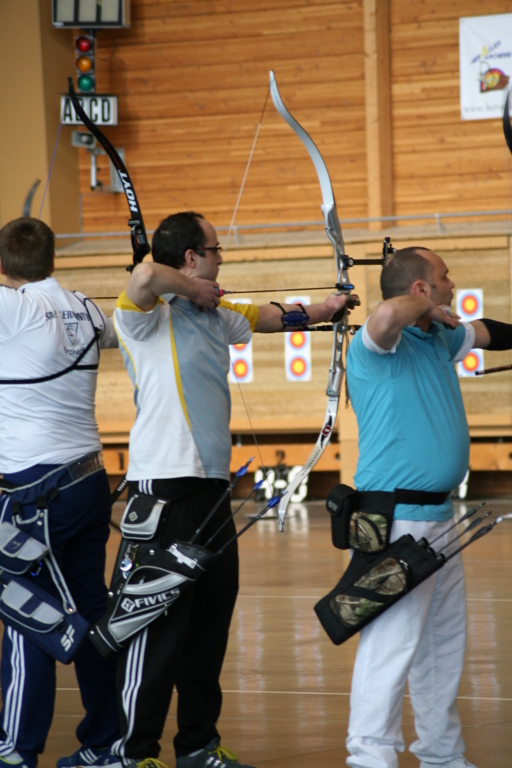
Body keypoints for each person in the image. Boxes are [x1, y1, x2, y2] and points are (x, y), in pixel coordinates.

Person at [111, 211, 352, 768]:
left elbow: (274, 316)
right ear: (190, 257)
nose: (222, 258)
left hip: (212, 491)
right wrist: (190, 288)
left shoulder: (218, 314)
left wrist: (328, 309)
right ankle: (132, 753)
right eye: (215, 249)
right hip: (163, 489)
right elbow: (145, 276)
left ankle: (197, 744)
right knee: (156, 625)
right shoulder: (145, 316)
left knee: (209, 625)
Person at [344, 246, 508, 768]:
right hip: (394, 518)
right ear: (421, 289)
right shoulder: (377, 346)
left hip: (439, 516)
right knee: (391, 640)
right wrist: (427, 308)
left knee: (442, 641)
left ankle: (441, 753)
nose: (452, 285)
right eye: (444, 278)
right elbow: (387, 314)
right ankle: (369, 757)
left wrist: (437, 316)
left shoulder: (437, 337)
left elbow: (486, 331)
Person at [0, 218, 121, 768]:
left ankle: (16, 751)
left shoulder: (14, 308)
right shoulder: (87, 310)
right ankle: (106, 744)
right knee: (88, 607)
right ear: (52, 258)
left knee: (26, 611)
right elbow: (119, 329)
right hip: (90, 480)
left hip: (38, 490)